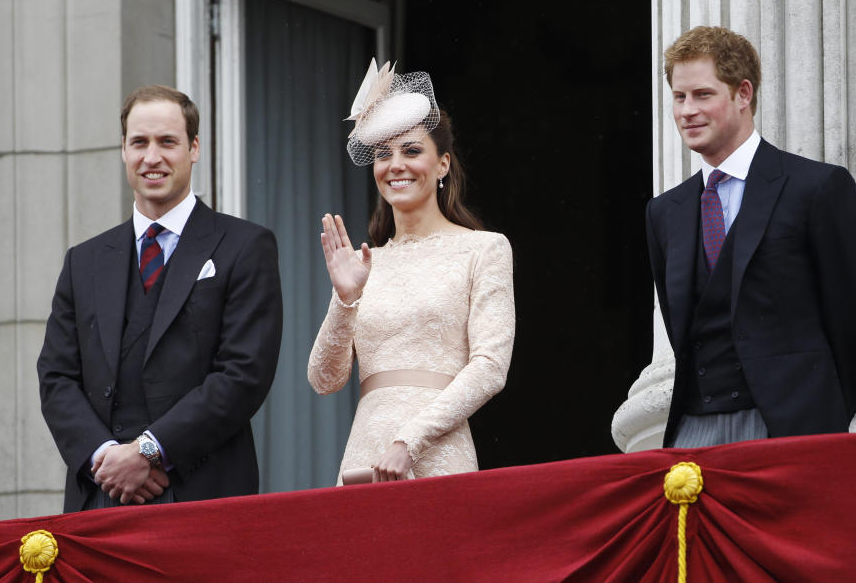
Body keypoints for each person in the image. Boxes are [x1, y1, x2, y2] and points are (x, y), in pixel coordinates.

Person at [38, 85, 283, 511]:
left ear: (194, 148)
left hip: (206, 494)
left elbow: (244, 374)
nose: (152, 157)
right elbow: (56, 377)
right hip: (100, 496)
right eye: (140, 143)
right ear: (123, 151)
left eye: (167, 142)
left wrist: (150, 451)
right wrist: (106, 460)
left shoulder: (246, 245)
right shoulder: (84, 261)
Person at [647, 26, 856, 448]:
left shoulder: (816, 187)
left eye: (703, 94)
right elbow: (681, 325)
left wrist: (821, 410)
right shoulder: (664, 212)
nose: (687, 110)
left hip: (792, 427)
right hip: (692, 429)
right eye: (679, 97)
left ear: (743, 94)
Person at [308, 60, 515, 483]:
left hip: (439, 454)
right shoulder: (365, 264)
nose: (395, 164)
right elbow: (324, 380)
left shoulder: (484, 248)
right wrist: (346, 299)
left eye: (412, 150)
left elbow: (490, 367)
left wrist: (410, 440)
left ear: (442, 165)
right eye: (383, 154)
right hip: (364, 457)